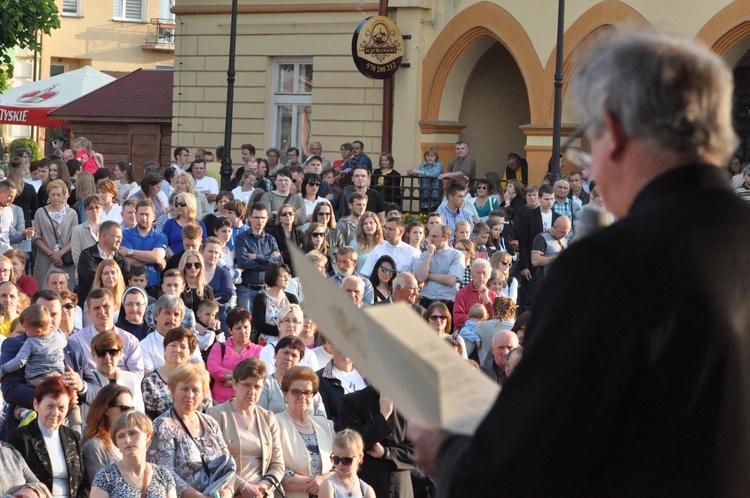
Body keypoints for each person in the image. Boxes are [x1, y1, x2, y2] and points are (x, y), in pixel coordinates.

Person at [409, 30, 750, 496]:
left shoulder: (608, 265)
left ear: (615, 132)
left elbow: (521, 468)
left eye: (587, 143)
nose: (588, 169)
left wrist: (444, 452)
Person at [146, 363, 233, 498]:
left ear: (204, 394)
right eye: (184, 389)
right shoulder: (162, 426)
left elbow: (227, 463)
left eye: (196, 390)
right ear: (173, 391)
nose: (190, 395)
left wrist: (227, 492)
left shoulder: (210, 422)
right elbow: (164, 473)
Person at [206, 359, 285, 497]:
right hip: (229, 491)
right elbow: (214, 461)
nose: (252, 391)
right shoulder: (216, 415)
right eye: (247, 385)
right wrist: (243, 487)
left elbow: (278, 464)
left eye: (257, 387)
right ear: (235, 384)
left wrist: (261, 488)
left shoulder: (268, 418)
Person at [10, 378, 88, 498]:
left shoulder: (72, 437)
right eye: (50, 406)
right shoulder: (21, 438)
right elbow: (15, 483)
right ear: (36, 404)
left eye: (61, 408)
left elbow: (83, 482)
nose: (55, 413)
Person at [337, 386, 415, 498]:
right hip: (366, 488)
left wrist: (386, 453)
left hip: (402, 490)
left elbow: (420, 452)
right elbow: (351, 443)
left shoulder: (407, 403)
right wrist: (383, 415)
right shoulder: (351, 401)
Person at [277, 366, 336, 498]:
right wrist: (313, 484)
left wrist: (323, 481)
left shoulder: (326, 425)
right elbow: (274, 466)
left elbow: (338, 464)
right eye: (296, 392)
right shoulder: (273, 423)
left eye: (308, 392)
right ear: (285, 394)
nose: (302, 396)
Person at [91, 411, 177, 498]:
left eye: (132, 433)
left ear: (148, 436)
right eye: (121, 436)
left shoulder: (163, 475)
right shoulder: (106, 477)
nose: (127, 440)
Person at [69, 288, 144, 378]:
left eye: (106, 306)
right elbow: (74, 375)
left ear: (115, 308)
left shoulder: (130, 341)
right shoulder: (75, 341)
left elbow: (137, 376)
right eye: (96, 308)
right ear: (89, 312)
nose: (102, 311)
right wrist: (121, 369)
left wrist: (91, 372)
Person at [141, 327, 209, 420]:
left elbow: (208, 412)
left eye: (183, 346)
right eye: (173, 345)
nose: (177, 349)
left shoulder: (199, 379)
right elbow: (148, 418)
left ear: (191, 353)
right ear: (164, 350)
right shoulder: (150, 381)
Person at [257, 336, 326, 416]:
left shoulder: (308, 386)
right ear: (275, 355)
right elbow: (259, 416)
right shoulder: (265, 385)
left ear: (299, 361)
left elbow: (322, 416)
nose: (289, 358)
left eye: (294, 355)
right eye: (285, 352)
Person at [207, 308, 263, 404]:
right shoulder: (219, 347)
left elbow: (258, 377)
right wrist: (242, 380)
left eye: (246, 327)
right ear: (230, 330)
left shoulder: (259, 350)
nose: (243, 331)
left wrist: (230, 380)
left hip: (247, 403)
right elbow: (212, 369)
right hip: (218, 403)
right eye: (238, 328)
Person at [234, 203, 283, 310]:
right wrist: (268, 261)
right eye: (256, 217)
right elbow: (243, 262)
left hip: (267, 290)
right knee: (245, 323)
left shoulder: (271, 239)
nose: (259, 221)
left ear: (267, 219)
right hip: (246, 289)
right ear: (250, 218)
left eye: (262, 217)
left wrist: (257, 257)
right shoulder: (241, 238)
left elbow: (279, 263)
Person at [82, 384, 134, 483]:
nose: (128, 414)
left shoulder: (132, 442)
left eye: (131, 409)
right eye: (124, 408)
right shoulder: (95, 445)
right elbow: (99, 487)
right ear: (106, 410)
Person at [33, 180, 78, 289]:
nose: (56, 197)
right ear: (49, 195)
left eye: (59, 194)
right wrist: (51, 254)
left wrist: (60, 254)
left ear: (64, 195)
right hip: (45, 257)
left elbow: (75, 238)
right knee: (43, 289)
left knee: (64, 289)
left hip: (65, 259)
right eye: (53, 194)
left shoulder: (72, 214)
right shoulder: (40, 212)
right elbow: (36, 237)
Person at [86, 331, 145, 413]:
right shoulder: (87, 380)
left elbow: (139, 413)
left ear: (120, 354)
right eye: (101, 352)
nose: (107, 357)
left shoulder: (132, 379)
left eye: (112, 352)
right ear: (93, 355)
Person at [119, 200, 168, 297]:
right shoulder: (125, 234)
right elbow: (127, 261)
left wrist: (129, 251)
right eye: (141, 214)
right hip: (129, 287)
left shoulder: (161, 237)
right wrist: (153, 260)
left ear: (154, 216)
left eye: (147, 214)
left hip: (153, 289)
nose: (144, 218)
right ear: (136, 215)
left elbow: (157, 257)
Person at [76, 221, 131, 306]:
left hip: (117, 306)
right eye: (117, 237)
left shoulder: (121, 259)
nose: (120, 240)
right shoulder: (87, 256)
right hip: (91, 307)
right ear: (104, 236)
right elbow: (94, 280)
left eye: (121, 237)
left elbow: (127, 281)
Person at [318, 429, 376, 498]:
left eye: (346, 460)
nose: (340, 464)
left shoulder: (366, 490)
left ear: (360, 457)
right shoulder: (328, 485)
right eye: (336, 459)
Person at [251, 262, 299, 340]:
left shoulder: (291, 298)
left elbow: (298, 320)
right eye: (283, 276)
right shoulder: (261, 297)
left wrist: (274, 323)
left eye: (288, 276)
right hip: (265, 341)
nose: (287, 279)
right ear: (273, 277)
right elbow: (259, 325)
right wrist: (284, 327)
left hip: (289, 340)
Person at [452, 258, 495, 331]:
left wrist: (486, 299)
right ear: (471, 274)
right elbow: (457, 319)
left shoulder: (493, 295)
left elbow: (496, 319)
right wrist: (481, 318)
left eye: (484, 273)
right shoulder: (462, 293)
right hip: (465, 334)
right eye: (478, 272)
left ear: (489, 275)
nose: (481, 277)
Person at [82, 260, 127, 328]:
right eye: (106, 273)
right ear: (100, 277)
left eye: (113, 272)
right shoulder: (91, 302)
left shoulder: (126, 299)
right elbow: (88, 328)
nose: (110, 276)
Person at [178, 250, 214, 316]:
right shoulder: (178, 288)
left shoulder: (207, 289)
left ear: (201, 266)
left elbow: (213, 313)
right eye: (188, 265)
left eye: (197, 265)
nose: (193, 267)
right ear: (184, 266)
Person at [71, 194, 103, 268]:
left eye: (97, 207)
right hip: (84, 272)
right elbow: (77, 258)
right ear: (85, 211)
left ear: (102, 209)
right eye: (90, 208)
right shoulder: (77, 230)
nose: (94, 210)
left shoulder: (108, 228)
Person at [407, 147, 443, 213]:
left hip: (434, 197)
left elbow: (433, 174)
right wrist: (410, 172)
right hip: (423, 197)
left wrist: (417, 172)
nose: (429, 158)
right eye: (428, 155)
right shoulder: (422, 165)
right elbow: (414, 174)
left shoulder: (439, 165)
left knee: (433, 217)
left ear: (436, 157)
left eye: (432, 156)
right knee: (423, 218)